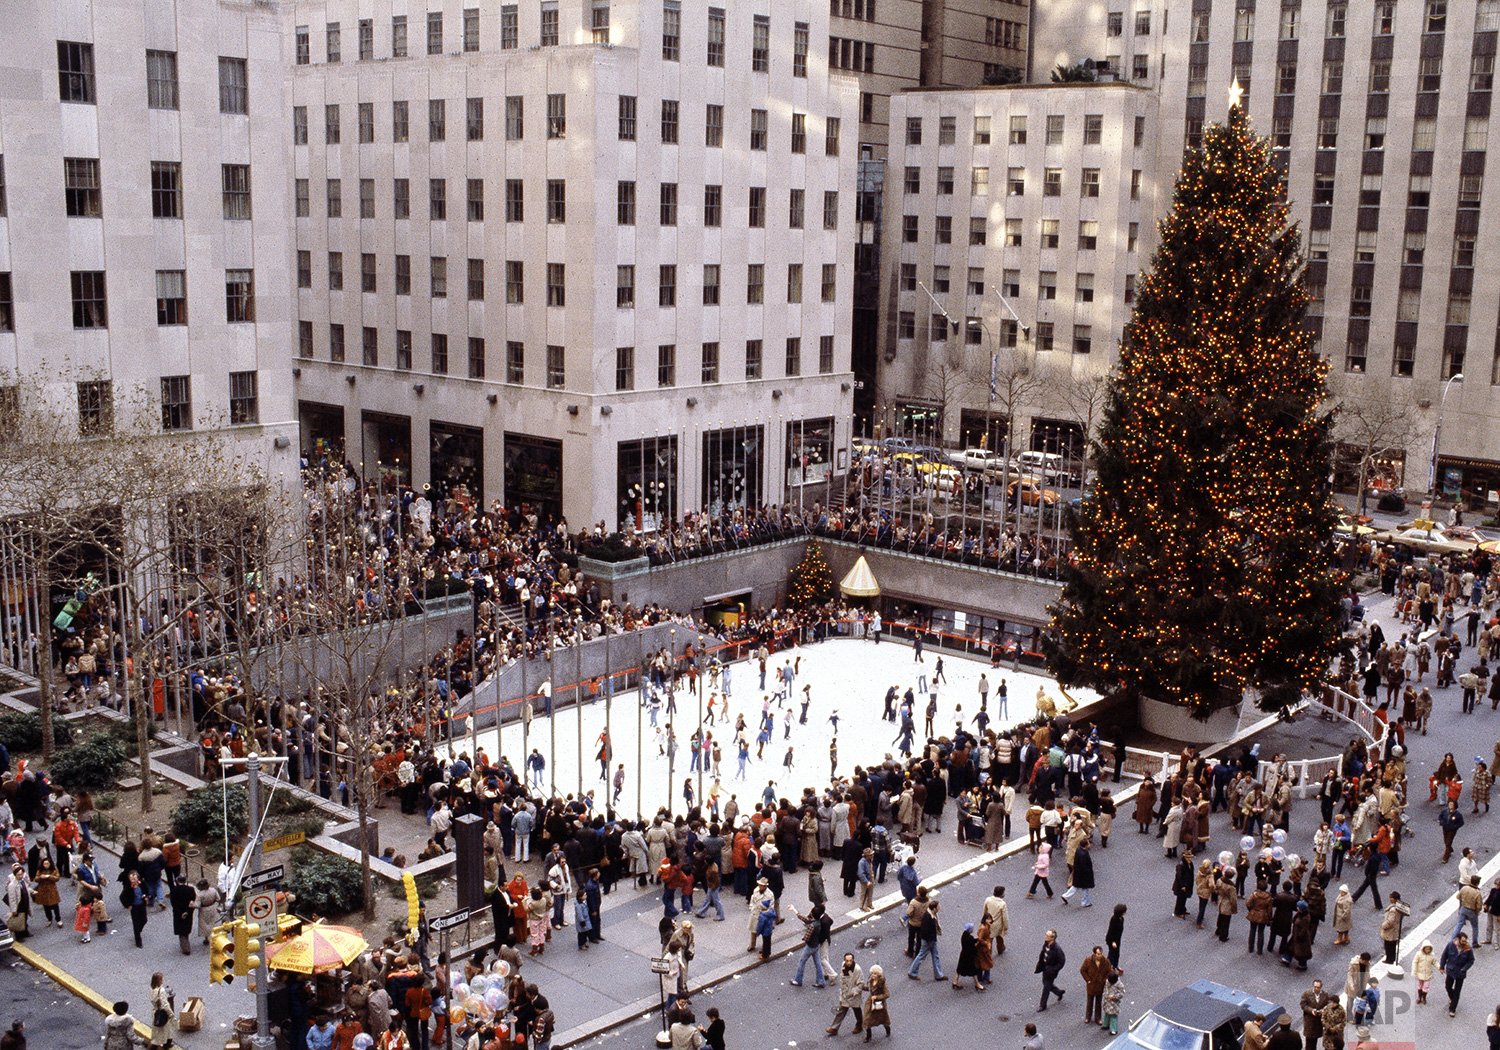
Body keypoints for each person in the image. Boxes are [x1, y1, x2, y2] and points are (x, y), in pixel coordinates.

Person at [826, 954, 866, 1035]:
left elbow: (861, 983)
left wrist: (853, 992)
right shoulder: (843, 966)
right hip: (845, 993)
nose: (849, 962)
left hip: (854, 994)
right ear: (844, 960)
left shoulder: (857, 969)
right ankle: (834, 1028)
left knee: (856, 1009)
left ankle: (859, 1025)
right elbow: (842, 979)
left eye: (850, 961)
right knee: (842, 1010)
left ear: (853, 960)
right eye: (847, 961)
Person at [907, 897, 944, 981]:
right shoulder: (928, 917)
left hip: (930, 939)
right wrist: (930, 940)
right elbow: (925, 930)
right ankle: (912, 972)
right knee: (921, 956)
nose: (939, 908)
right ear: (934, 908)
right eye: (938, 907)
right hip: (929, 940)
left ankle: (938, 975)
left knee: (935, 955)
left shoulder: (931, 914)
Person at [1439, 932, 1475, 1017]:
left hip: (1460, 973)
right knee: (1448, 986)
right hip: (1451, 970)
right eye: (1462, 941)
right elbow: (1444, 956)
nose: (1464, 943)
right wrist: (1442, 966)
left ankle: (1452, 1009)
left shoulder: (1468, 949)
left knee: (1457, 991)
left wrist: (1464, 968)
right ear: (1458, 939)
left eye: (1465, 941)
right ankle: (1453, 998)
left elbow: (1471, 960)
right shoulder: (1450, 945)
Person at [1035, 929, 1065, 1012]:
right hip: (1045, 968)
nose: (1045, 936)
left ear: (1053, 938)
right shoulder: (1046, 944)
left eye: (1047, 936)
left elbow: (1061, 962)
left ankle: (1042, 1005)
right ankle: (1059, 992)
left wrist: (1053, 969)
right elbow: (1043, 954)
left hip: (1051, 972)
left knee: (1046, 987)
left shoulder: (1057, 950)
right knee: (1046, 984)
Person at [1079, 945, 1111, 1025]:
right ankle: (1088, 1017)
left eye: (1100, 953)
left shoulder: (1106, 961)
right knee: (1089, 1002)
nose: (1099, 955)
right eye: (1098, 954)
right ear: (1094, 954)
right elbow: (1082, 970)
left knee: (1098, 1002)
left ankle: (1098, 1018)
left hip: (1100, 985)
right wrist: (1088, 980)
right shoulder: (1088, 961)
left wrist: (1104, 980)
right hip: (1091, 985)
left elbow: (1109, 972)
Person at [1299, 979, 1332, 1050]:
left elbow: (1329, 1003)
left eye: (1318, 987)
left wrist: (1324, 1010)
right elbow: (1303, 1005)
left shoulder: (1325, 994)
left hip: (1318, 1022)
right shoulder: (1307, 994)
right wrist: (1311, 1010)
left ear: (1321, 987)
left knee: (1315, 1040)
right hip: (1309, 1022)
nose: (1316, 988)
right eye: (1315, 987)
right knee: (1309, 1042)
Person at [862, 964, 891, 1042]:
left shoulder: (882, 983)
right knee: (867, 1018)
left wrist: (877, 997)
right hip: (870, 1002)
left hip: (879, 1004)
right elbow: (868, 988)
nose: (872, 975)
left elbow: (887, 994)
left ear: (878, 974)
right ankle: (868, 1036)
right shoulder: (870, 980)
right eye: (872, 973)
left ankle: (888, 1030)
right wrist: (861, 986)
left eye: (875, 973)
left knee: (883, 1019)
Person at [147, 973, 175, 1050]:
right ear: (159, 980)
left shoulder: (152, 990)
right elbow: (165, 1005)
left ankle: (168, 1044)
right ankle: (165, 1045)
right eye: (162, 979)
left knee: (168, 1032)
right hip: (163, 1014)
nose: (163, 980)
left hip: (157, 1012)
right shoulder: (161, 991)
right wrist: (171, 1014)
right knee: (158, 1039)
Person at [1412, 941, 1437, 1006]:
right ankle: (1419, 997)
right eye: (1426, 949)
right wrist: (1414, 971)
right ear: (1423, 948)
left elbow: (1435, 962)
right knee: (1420, 986)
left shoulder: (1432, 955)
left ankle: (1424, 998)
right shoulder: (1418, 954)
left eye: (1429, 949)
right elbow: (1415, 962)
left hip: (1428, 975)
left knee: (1426, 987)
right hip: (1420, 974)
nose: (1428, 950)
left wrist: (1440, 967)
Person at [1105, 903, 1126, 968]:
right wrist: (1112, 942)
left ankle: (1114, 966)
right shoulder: (1114, 920)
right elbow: (1111, 931)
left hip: (1117, 940)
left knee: (1116, 954)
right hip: (1112, 941)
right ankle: (1108, 968)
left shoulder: (1121, 918)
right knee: (1112, 954)